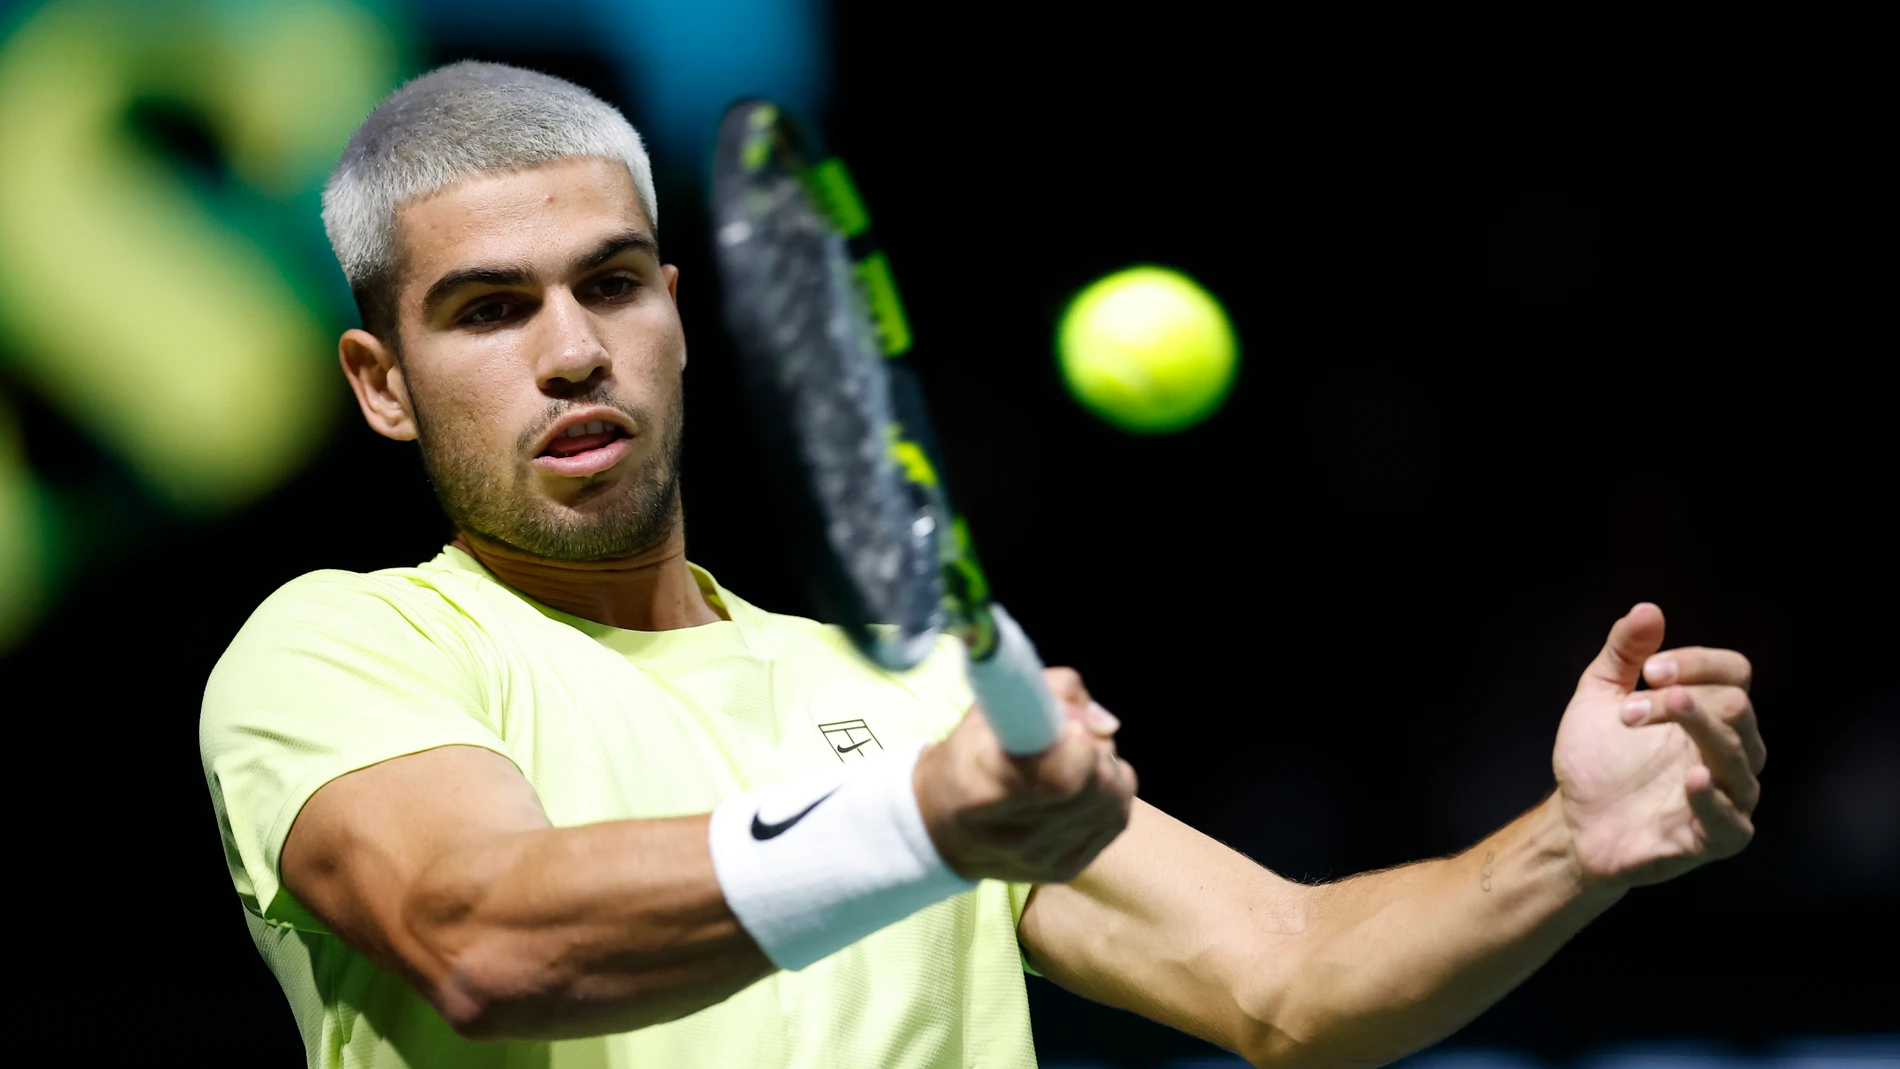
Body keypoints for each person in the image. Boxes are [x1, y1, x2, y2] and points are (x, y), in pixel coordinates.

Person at [200, 62, 1767, 1069]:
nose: (570, 352)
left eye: (612, 285)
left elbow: (1288, 979)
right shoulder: (345, 649)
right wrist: (915, 819)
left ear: (675, 312)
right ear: (381, 383)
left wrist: (1571, 842)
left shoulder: (914, 703)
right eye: (488, 310)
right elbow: (480, 937)